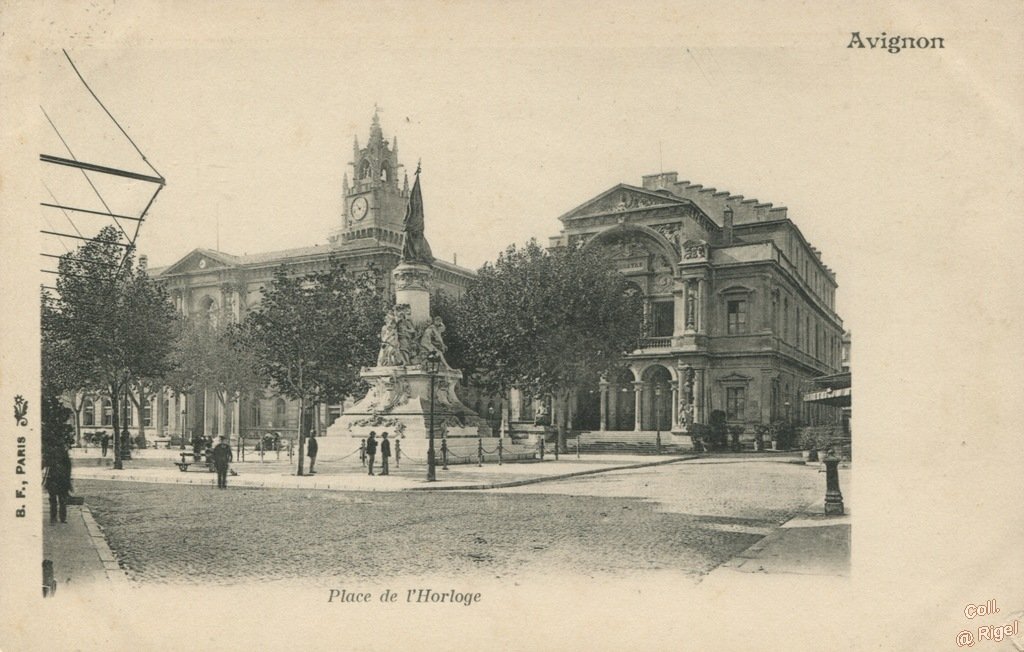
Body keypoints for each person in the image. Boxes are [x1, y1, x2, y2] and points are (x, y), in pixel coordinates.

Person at [44, 447, 72, 524]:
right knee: (55, 500)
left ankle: (59, 518)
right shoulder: (51, 454)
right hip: (54, 479)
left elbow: (68, 468)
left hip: (60, 480)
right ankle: (55, 518)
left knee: (60, 500)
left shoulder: (61, 454)